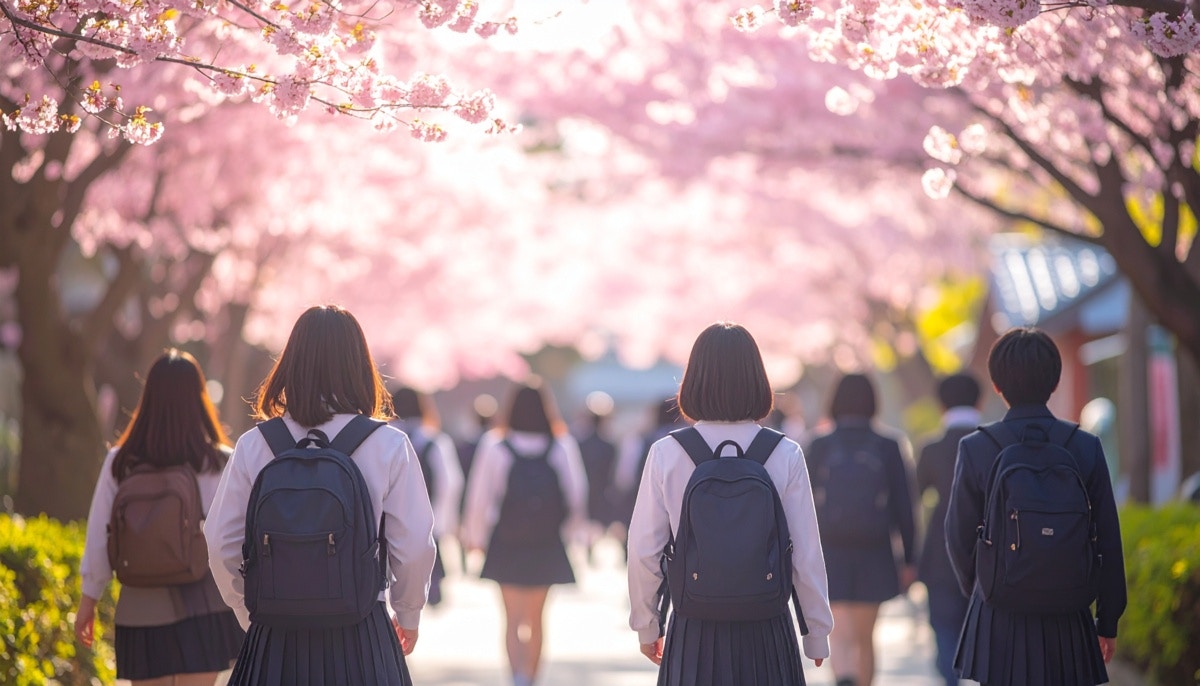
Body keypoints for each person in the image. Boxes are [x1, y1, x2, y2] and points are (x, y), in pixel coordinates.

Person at [205, 305, 437, 686]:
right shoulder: (389, 445)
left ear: (290, 364)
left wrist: (251, 613)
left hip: (274, 639)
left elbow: (219, 543)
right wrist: (408, 614)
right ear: (359, 365)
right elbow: (413, 546)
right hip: (362, 632)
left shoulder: (255, 445)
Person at [627, 322, 833, 686]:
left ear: (693, 380)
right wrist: (816, 630)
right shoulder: (785, 453)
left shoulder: (667, 453)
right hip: (767, 625)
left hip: (694, 627)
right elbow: (805, 550)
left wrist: (647, 625)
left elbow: (645, 550)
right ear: (757, 379)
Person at [945, 327, 1127, 686]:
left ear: (997, 385)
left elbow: (957, 535)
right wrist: (1107, 621)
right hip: (1069, 612)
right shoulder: (1085, 446)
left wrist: (985, 586)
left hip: (999, 613)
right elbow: (1108, 536)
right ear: (1054, 382)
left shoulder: (977, 447)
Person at [76, 349, 244, 686]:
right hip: (204, 604)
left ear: (148, 397)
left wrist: (88, 601)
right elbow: (233, 539)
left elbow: (99, 536)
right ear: (200, 397)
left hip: (140, 607)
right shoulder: (219, 461)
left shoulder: (119, 463)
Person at [461, 380, 588, 686]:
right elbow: (577, 494)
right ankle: (531, 678)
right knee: (538, 618)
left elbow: (480, 496)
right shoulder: (561, 444)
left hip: (506, 541)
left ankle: (515, 677)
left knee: (511, 618)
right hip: (546, 543)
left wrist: (474, 537)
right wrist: (572, 534)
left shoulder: (495, 444)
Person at [805, 372, 917, 686]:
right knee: (865, 638)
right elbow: (905, 507)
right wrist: (909, 559)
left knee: (839, 633)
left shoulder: (819, 445)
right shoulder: (888, 445)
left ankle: (843, 679)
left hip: (830, 551)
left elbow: (802, 506)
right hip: (876, 550)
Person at [916, 372, 983, 686]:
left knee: (943, 626)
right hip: (986, 548)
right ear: (980, 400)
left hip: (940, 549)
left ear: (941, 404)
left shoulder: (931, 449)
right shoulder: (992, 443)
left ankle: (950, 678)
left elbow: (914, 498)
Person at [390, 385, 464, 606]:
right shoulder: (434, 440)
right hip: (427, 520)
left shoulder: (384, 438)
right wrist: (442, 523)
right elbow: (450, 483)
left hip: (391, 518)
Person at [573, 394, 620, 560]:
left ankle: (588, 546)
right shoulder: (609, 445)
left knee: (587, 519)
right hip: (602, 488)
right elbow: (614, 472)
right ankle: (591, 546)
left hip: (585, 486)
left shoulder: (580, 443)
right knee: (598, 522)